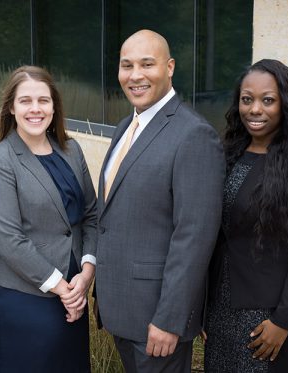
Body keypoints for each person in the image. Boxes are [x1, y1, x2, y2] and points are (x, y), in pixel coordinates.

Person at [94, 29, 225, 372]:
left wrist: (170, 319)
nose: (135, 75)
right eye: (127, 65)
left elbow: (194, 237)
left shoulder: (193, 134)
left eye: (146, 64)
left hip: (157, 320)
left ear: (169, 67)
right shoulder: (126, 126)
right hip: (122, 309)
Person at [203, 59, 288, 372]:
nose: (255, 109)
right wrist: (203, 308)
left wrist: (283, 320)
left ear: (287, 103)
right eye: (247, 100)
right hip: (222, 304)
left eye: (268, 100)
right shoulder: (228, 152)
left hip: (270, 315)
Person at [0, 66, 97, 372]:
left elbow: (91, 215)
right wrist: (62, 289)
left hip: (75, 288)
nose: (35, 109)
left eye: (43, 100)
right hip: (28, 297)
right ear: (11, 108)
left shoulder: (72, 150)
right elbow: (10, 240)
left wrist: (85, 273)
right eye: (25, 101)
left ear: (54, 106)